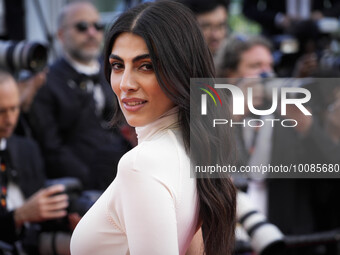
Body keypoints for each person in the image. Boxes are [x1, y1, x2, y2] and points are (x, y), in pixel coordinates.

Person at [70, 1, 236, 255]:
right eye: (117, 66)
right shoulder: (196, 147)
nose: (125, 84)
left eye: (145, 66)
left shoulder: (141, 164)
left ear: (182, 69)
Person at [29, 1, 130, 190]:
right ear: (61, 34)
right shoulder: (46, 82)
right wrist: (93, 182)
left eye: (98, 26)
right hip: (85, 188)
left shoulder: (116, 69)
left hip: (127, 177)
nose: (91, 33)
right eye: (81, 27)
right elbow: (52, 149)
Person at [0, 70, 69, 253]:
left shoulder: (27, 148)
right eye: (1, 111)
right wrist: (19, 216)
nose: (9, 119)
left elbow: (40, 208)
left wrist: (65, 218)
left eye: (14, 108)